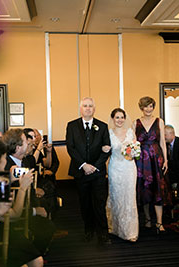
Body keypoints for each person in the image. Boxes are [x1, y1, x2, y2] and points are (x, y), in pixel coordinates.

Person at [66, 97, 111, 245]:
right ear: (80, 108)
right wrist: (84, 165)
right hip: (80, 171)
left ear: (94, 109)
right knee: (84, 203)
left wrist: (94, 166)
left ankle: (103, 233)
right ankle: (88, 230)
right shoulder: (71, 126)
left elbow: (106, 149)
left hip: (97, 172)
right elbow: (70, 148)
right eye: (85, 106)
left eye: (90, 106)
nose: (87, 108)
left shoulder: (102, 126)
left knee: (99, 203)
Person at [134, 96, 169, 234]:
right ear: (141, 108)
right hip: (141, 160)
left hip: (156, 158)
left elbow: (162, 143)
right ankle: (148, 219)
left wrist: (165, 159)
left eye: (151, 106)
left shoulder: (159, 121)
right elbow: (134, 143)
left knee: (157, 189)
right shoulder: (135, 123)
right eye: (146, 106)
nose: (148, 109)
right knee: (145, 190)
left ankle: (159, 222)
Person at [105, 108, 138, 242]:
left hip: (129, 167)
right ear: (113, 119)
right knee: (116, 196)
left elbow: (136, 150)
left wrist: (133, 152)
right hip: (115, 167)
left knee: (129, 197)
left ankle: (130, 231)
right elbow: (105, 150)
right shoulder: (108, 133)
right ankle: (115, 227)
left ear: (125, 118)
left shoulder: (131, 132)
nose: (119, 120)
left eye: (122, 117)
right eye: (117, 117)